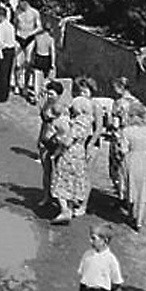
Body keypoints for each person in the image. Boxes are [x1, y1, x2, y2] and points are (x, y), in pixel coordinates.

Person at [50, 87, 93, 223]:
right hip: (80, 152)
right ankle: (69, 207)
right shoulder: (87, 121)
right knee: (74, 180)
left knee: (62, 179)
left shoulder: (77, 123)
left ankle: (64, 210)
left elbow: (68, 141)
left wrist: (58, 139)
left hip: (70, 153)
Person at [121, 101, 146, 231]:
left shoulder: (126, 131)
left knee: (131, 186)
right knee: (142, 191)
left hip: (131, 159)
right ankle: (139, 221)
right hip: (145, 159)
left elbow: (123, 149)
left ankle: (131, 215)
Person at [77, 224, 123, 291]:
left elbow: (117, 282)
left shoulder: (111, 260)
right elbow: (82, 272)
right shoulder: (87, 254)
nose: (90, 241)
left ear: (104, 241)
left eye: (93, 238)